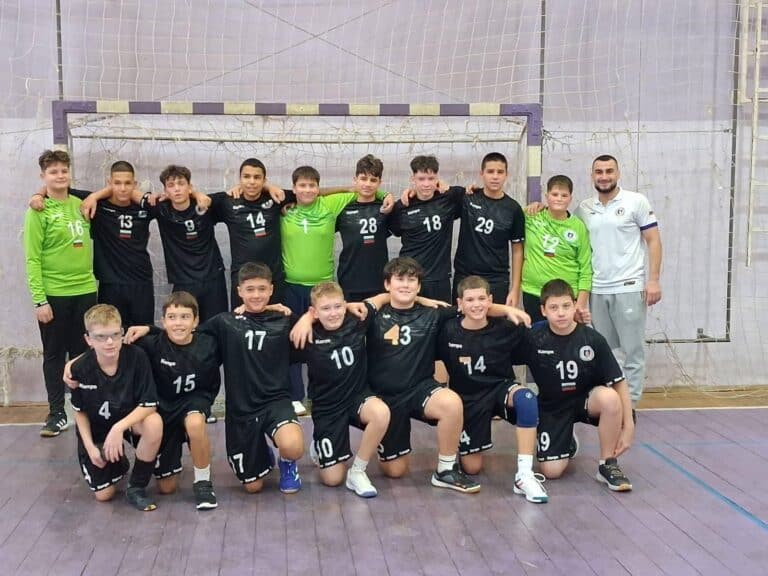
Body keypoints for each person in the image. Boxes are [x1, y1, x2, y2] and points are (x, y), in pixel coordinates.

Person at [360, 257, 530, 492]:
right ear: (387, 284)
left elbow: (473, 307)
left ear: (419, 286)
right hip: (386, 397)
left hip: (420, 389)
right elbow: (342, 310)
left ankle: (445, 469)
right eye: (400, 279)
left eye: (412, 280)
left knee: (451, 402)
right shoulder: (374, 314)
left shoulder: (433, 313)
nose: (406, 285)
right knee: (395, 471)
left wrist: (507, 309)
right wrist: (309, 317)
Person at [281, 165, 391, 414]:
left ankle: (324, 393)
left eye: (312, 185)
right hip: (292, 285)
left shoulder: (330, 205)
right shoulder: (284, 210)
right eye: (302, 185)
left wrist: (386, 195)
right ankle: (295, 395)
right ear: (293, 188)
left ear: (319, 188)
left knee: (325, 343)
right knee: (295, 338)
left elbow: (362, 191)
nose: (307, 190)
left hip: (323, 287)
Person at [437, 275, 547, 503]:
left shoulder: (507, 327)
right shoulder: (447, 331)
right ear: (460, 303)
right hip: (468, 400)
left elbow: (543, 334)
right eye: (470, 300)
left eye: (481, 299)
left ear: (490, 300)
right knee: (472, 468)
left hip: (500, 389)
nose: (476, 305)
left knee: (527, 399)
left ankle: (524, 475)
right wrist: (504, 308)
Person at [197, 262, 305, 494]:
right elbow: (189, 337)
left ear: (271, 289)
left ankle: (287, 462)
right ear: (239, 291)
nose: (256, 295)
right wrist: (149, 329)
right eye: (250, 289)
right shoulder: (225, 322)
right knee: (253, 487)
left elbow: (320, 324)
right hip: (241, 408)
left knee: (293, 446)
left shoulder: (284, 319)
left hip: (276, 401)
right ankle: (261, 452)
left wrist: (306, 318)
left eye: (262, 289)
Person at [523, 279, 634, 491]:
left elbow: (619, 382)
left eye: (566, 306)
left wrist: (628, 426)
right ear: (543, 311)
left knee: (610, 398)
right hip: (552, 407)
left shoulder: (592, 339)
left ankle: (607, 464)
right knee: (552, 472)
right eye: (554, 307)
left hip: (585, 401)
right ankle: (566, 439)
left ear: (575, 305)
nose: (561, 313)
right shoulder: (533, 337)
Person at [575, 155, 662, 406]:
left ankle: (630, 405)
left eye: (609, 171)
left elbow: (653, 240)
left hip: (629, 287)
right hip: (597, 290)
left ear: (618, 173)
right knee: (605, 351)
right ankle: (611, 402)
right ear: (592, 175)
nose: (604, 176)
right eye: (599, 172)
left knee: (632, 351)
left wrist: (653, 280)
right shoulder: (584, 208)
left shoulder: (636, 201)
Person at [290, 281, 390, 497]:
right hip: (327, 408)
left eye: (338, 306)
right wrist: (305, 319)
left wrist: (423, 299)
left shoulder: (357, 318)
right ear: (314, 312)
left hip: (357, 397)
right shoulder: (307, 333)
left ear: (345, 305)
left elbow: (384, 297)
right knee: (333, 479)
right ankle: (319, 444)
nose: (333, 313)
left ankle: (358, 471)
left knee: (381, 412)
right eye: (326, 308)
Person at [123, 292, 222, 510]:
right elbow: (109, 347)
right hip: (163, 410)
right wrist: (75, 363)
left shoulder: (209, 344)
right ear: (163, 321)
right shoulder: (151, 344)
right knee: (167, 488)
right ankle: (140, 477)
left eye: (185, 317)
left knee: (195, 423)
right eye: (172, 317)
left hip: (193, 402)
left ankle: (203, 483)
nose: (178, 323)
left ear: (196, 321)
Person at [24, 149, 98, 437]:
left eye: (64, 170)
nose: (60, 175)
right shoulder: (38, 211)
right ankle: (56, 413)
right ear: (43, 176)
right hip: (54, 295)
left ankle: (83, 407)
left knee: (82, 353)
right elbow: (32, 258)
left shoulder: (81, 205)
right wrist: (39, 300)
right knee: (54, 354)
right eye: (53, 172)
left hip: (85, 291)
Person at [29, 161, 155, 326]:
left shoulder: (145, 207)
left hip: (141, 282)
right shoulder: (99, 205)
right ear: (109, 183)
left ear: (135, 184)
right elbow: (57, 188)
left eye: (127, 183)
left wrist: (144, 196)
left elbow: (170, 203)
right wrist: (37, 195)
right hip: (110, 284)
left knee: (144, 332)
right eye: (117, 183)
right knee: (109, 331)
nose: (123, 188)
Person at [68, 304, 163, 510]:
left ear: (122, 333)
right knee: (104, 495)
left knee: (154, 423)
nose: (109, 342)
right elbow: (80, 412)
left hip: (127, 421)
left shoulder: (137, 356)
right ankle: (118, 463)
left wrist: (118, 428)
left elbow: (149, 405)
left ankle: (137, 486)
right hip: (97, 428)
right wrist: (90, 447)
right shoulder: (80, 368)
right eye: (101, 337)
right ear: (89, 340)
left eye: (114, 334)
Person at [209, 158, 291, 307]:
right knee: (241, 319)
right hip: (242, 279)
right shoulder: (227, 201)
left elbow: (308, 193)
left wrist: (269, 187)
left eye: (257, 177)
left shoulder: (275, 198)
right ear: (239, 179)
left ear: (264, 180)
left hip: (273, 278)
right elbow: (198, 201)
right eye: (246, 177)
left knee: (276, 319)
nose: (252, 182)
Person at [452, 152, 525, 307]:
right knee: (462, 320)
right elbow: (437, 192)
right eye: (490, 171)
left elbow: (518, 250)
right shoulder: (467, 198)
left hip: (496, 280)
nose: (495, 176)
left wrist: (515, 289)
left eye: (500, 172)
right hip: (465, 276)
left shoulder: (513, 209)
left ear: (506, 175)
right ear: (482, 174)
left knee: (495, 321)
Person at [388, 155, 464, 302]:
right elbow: (393, 230)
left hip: (439, 278)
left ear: (437, 178)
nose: (426, 184)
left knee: (441, 315)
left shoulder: (449, 198)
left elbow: (469, 193)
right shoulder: (402, 206)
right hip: (410, 277)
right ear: (413, 179)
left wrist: (447, 187)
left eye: (431, 178)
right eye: (421, 179)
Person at [522, 174, 592, 325]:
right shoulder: (531, 217)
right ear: (546, 196)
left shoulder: (578, 227)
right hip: (533, 292)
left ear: (570, 198)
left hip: (566, 296)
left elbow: (585, 268)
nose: (559, 199)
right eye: (554, 194)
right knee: (537, 336)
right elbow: (507, 215)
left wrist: (579, 304)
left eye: (564, 195)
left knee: (567, 338)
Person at [335, 155, 391, 301]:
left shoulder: (387, 208)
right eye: (363, 179)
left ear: (380, 183)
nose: (367, 184)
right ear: (355, 180)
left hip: (379, 280)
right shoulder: (342, 208)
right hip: (349, 279)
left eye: (373, 180)